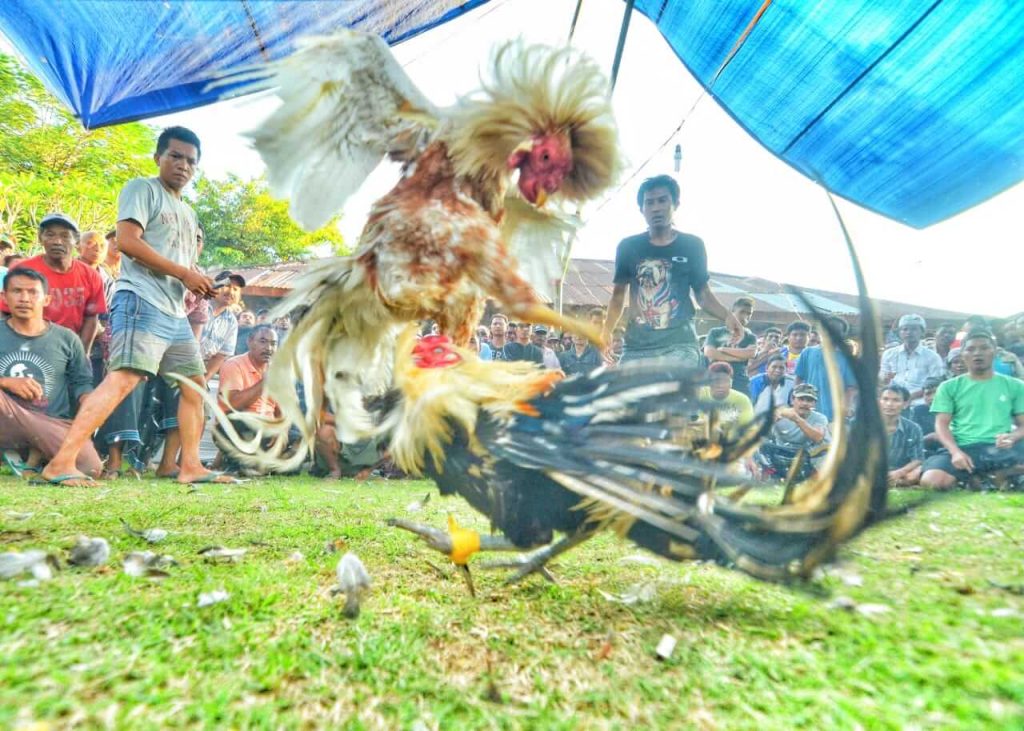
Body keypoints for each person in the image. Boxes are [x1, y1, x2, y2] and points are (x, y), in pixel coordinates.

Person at [39, 126, 230, 487]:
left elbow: (180, 264)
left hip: (174, 312)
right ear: (158, 157)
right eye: (175, 156)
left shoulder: (188, 214)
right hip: (141, 301)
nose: (183, 166)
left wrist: (196, 283)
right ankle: (61, 462)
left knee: (194, 385)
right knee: (124, 379)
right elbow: (127, 242)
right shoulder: (143, 189)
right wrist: (185, 273)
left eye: (191, 161)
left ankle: (190, 465)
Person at [603, 175, 741, 366]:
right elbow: (618, 296)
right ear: (641, 209)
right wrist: (606, 330)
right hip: (637, 346)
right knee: (630, 395)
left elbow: (702, 293)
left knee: (673, 394)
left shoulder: (692, 245)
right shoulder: (628, 247)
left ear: (675, 203)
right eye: (649, 202)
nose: (656, 208)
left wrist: (728, 316)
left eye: (662, 200)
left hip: (680, 345)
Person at [0, 268, 100, 477]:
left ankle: (32, 454)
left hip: (50, 422)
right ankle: (29, 454)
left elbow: (82, 381)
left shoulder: (66, 338)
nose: (24, 298)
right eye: (17, 291)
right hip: (6, 418)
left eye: (32, 292)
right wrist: (5, 382)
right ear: (4, 297)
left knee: (90, 467)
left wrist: (90, 402)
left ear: (46, 299)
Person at [919, 329, 1024, 490]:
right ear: (962, 354)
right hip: (964, 447)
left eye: (984, 348)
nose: (977, 353)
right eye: (971, 349)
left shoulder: (1015, 385)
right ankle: (989, 477)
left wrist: (1012, 437)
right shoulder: (949, 387)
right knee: (932, 481)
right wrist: (955, 452)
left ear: (995, 352)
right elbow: (941, 425)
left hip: (1002, 447)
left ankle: (989, 476)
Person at [3, 213, 106, 354]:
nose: (57, 241)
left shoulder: (91, 275)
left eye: (65, 236)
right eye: (50, 235)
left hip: (69, 349)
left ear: (76, 240)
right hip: (27, 348)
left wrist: (81, 354)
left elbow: (91, 317)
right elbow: (4, 312)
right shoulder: (22, 270)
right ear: (40, 238)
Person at [794, 317, 857, 423]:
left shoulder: (847, 358)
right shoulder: (808, 352)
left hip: (834, 414)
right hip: (809, 411)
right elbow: (798, 379)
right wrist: (797, 401)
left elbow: (850, 388)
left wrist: (845, 408)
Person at [880, 314, 945, 406]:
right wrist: (885, 379)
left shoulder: (933, 357)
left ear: (922, 332)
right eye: (905, 329)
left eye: (914, 329)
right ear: (899, 332)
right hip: (893, 404)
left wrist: (909, 398)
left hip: (920, 404)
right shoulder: (889, 354)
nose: (909, 332)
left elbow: (935, 384)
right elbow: (883, 379)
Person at [763, 382, 831, 469]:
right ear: (792, 400)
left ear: (814, 404)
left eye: (809, 400)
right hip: (780, 451)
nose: (805, 403)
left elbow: (818, 437)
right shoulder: (781, 413)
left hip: (807, 455)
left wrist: (797, 419)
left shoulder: (820, 418)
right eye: (801, 399)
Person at [703, 297, 757, 393]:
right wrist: (738, 358)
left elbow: (750, 353)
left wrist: (723, 349)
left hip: (739, 382)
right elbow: (710, 352)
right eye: (742, 312)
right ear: (732, 312)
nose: (745, 316)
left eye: (749, 314)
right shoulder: (716, 332)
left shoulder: (750, 337)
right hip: (715, 380)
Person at [200, 271, 244, 380]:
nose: (231, 292)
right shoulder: (198, 305)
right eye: (227, 286)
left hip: (199, 371)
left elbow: (220, 356)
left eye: (235, 289)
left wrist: (203, 382)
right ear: (215, 285)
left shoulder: (232, 322)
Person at [880, 384, 924, 486]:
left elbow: (917, 459)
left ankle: (895, 482)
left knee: (918, 472)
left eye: (896, 400)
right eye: (885, 399)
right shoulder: (865, 425)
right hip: (870, 471)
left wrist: (899, 472)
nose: (889, 404)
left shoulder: (913, 428)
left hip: (900, 471)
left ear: (905, 404)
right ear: (879, 401)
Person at [699, 362, 754, 436]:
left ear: (731, 383)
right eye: (716, 381)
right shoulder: (698, 395)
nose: (720, 385)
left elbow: (749, 429)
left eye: (725, 381)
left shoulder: (742, 400)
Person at [910, 376, 944, 458]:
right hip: (924, 453)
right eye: (928, 394)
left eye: (937, 393)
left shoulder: (955, 410)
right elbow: (911, 441)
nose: (932, 398)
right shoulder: (918, 411)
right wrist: (929, 438)